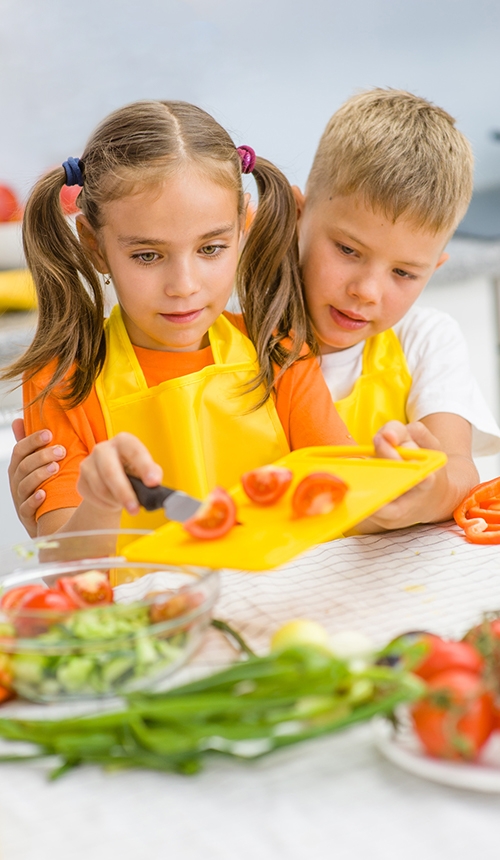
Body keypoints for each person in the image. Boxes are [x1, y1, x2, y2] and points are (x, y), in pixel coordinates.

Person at [3, 100, 353, 537]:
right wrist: (100, 503)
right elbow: (66, 563)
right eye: (148, 255)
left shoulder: (280, 356)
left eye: (210, 249)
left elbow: (351, 498)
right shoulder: (60, 383)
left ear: (243, 227)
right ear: (95, 246)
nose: (183, 285)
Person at [291, 88, 500, 533]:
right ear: (297, 216)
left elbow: (460, 470)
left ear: (434, 270)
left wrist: (429, 492)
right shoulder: (238, 334)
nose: (367, 291)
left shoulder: (426, 339)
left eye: (404, 273)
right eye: (348, 249)